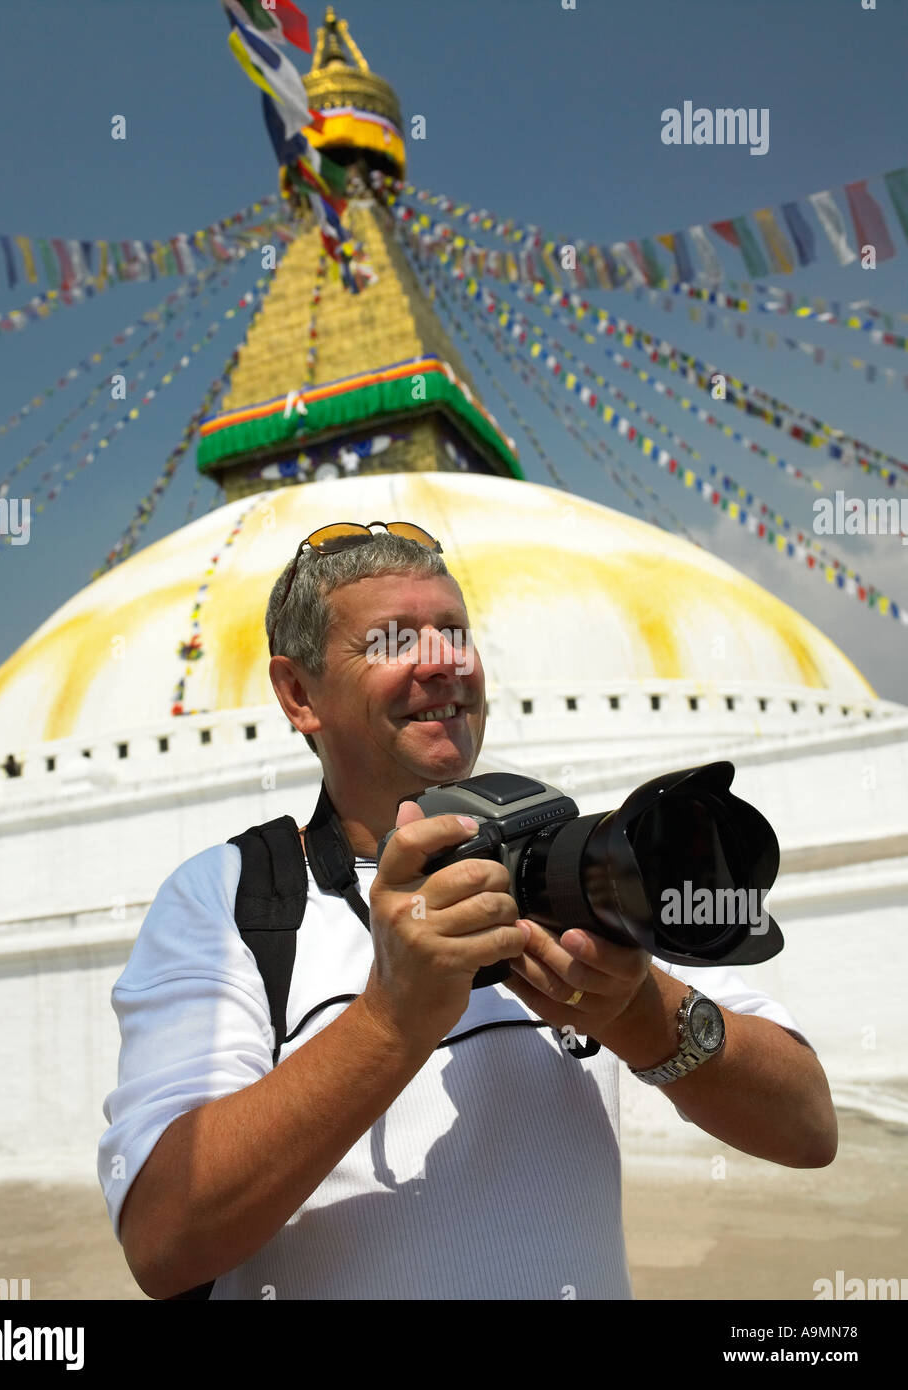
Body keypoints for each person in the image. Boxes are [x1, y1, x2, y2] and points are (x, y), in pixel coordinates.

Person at [98, 520, 837, 1301]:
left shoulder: (564, 867)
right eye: (391, 640)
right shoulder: (235, 898)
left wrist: (636, 1013)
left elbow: (806, 1127)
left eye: (454, 632)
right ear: (298, 693)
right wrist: (389, 1021)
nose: (443, 662)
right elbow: (163, 1241)